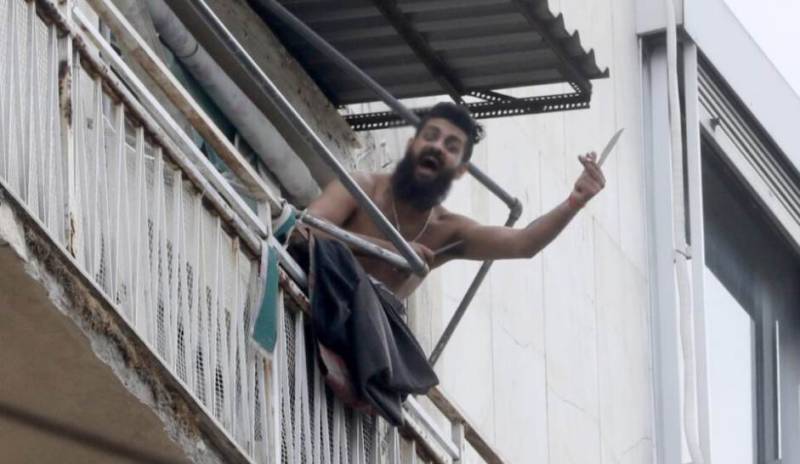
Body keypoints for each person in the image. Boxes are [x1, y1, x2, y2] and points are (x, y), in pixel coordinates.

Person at [306, 102, 606, 297]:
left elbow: (523, 244)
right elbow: (303, 228)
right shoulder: (362, 187)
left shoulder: (449, 231)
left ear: (461, 170)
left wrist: (575, 201)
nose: (437, 147)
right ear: (411, 145)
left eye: (451, 146)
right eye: (430, 136)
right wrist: (393, 250)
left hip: (355, 355)